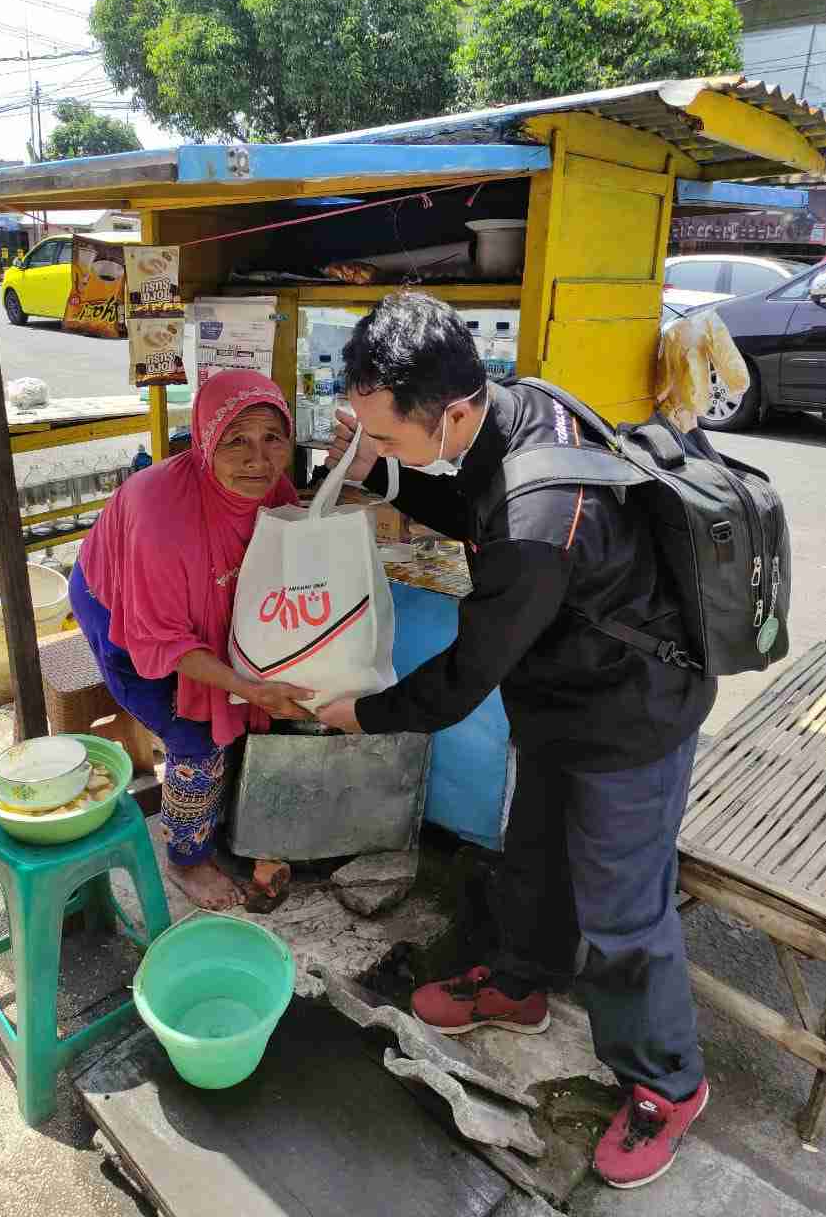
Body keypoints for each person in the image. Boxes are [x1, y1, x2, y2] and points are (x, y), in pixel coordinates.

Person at [316, 292, 715, 1190]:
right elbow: (467, 498)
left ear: (453, 410)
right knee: (531, 857)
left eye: (384, 438)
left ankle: (666, 1083)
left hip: (630, 717)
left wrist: (360, 714)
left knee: (622, 910)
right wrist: (378, 475)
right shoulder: (509, 403)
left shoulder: (542, 519)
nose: (373, 449)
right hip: (560, 700)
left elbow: (463, 678)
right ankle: (521, 985)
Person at [71, 371, 314, 910]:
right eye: (237, 441)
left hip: (208, 602)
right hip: (124, 608)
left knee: (243, 713)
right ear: (206, 441)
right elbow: (163, 641)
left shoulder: (272, 487)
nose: (259, 459)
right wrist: (246, 687)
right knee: (192, 731)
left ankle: (227, 819)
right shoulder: (161, 515)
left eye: (273, 437)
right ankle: (188, 857)